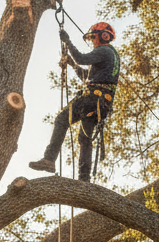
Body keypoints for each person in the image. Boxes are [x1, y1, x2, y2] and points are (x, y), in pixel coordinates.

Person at [29, 21, 120, 182]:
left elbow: (81, 58)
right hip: (101, 101)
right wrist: (70, 63)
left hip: (91, 98)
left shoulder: (104, 50)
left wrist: (68, 41)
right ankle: (83, 179)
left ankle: (49, 159)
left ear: (103, 36)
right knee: (84, 138)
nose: (92, 41)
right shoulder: (109, 55)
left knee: (61, 119)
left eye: (93, 37)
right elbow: (88, 77)